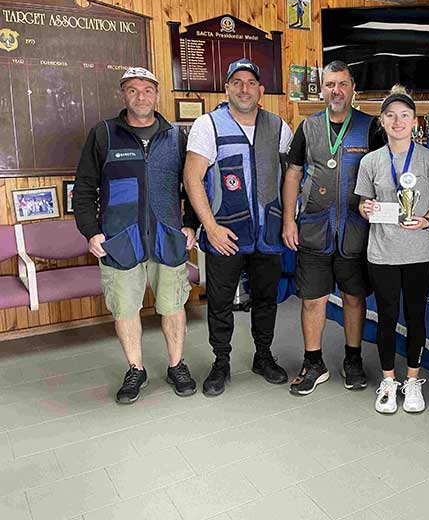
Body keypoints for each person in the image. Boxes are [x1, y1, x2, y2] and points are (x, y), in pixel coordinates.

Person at [73, 67, 199, 404]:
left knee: (172, 306)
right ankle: (135, 369)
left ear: (157, 94)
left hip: (167, 236)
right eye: (132, 90)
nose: (140, 96)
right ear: (123, 94)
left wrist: (191, 223)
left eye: (146, 90)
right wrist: (91, 231)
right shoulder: (104, 135)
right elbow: (84, 187)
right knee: (125, 309)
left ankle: (176, 365)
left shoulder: (176, 136)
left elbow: (194, 185)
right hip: (119, 239)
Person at [183, 58, 293, 397]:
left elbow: (291, 176)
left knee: (265, 300)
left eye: (250, 82)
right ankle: (221, 362)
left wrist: (288, 219)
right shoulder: (208, 125)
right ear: (228, 88)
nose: (244, 88)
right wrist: (210, 227)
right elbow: (192, 178)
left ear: (261, 90)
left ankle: (263, 356)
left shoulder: (279, 127)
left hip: (268, 234)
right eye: (237, 82)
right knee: (219, 302)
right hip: (225, 234)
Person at [281, 60, 384, 396]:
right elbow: (294, 173)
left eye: (342, 84)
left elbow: (385, 174)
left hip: (356, 231)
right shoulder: (308, 127)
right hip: (314, 228)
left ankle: (352, 359)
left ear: (353, 87)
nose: (336, 91)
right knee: (313, 300)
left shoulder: (371, 127)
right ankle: (313, 362)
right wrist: (288, 220)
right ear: (322, 89)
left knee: (354, 299)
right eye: (330, 84)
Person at [355, 86, 429, 414]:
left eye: (404, 115)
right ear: (381, 121)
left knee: (416, 316)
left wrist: (427, 221)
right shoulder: (370, 161)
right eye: (390, 115)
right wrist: (366, 209)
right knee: (387, 317)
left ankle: (413, 380)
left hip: (419, 252)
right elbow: (362, 202)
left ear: (415, 121)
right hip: (382, 253)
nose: (397, 121)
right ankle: (389, 380)